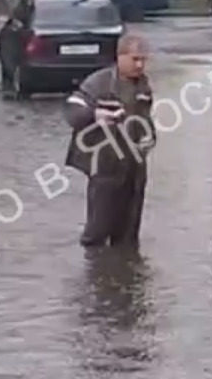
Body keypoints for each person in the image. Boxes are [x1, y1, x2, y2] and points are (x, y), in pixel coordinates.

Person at [63, 34, 155, 248]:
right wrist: (95, 115)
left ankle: (125, 274)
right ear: (120, 57)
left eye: (143, 60)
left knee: (129, 234)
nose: (140, 65)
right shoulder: (99, 82)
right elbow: (72, 111)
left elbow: (145, 119)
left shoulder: (143, 86)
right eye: (135, 59)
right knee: (97, 231)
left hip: (135, 166)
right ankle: (95, 274)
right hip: (105, 165)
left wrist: (150, 137)